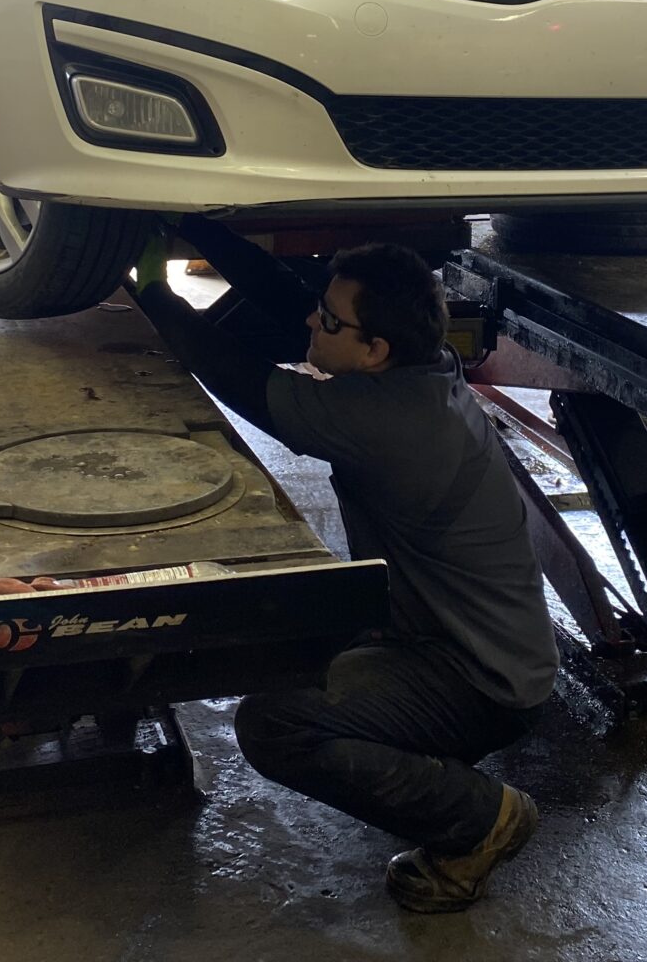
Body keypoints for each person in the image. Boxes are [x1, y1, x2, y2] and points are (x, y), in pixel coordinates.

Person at [127, 216, 559, 913]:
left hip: (481, 681)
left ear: (374, 350)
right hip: (454, 638)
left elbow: (235, 375)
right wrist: (203, 231)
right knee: (286, 631)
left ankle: (480, 817)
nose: (311, 320)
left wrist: (151, 290)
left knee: (276, 724)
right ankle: (422, 757)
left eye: (328, 321)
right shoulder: (420, 370)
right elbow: (287, 294)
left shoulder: (385, 422)